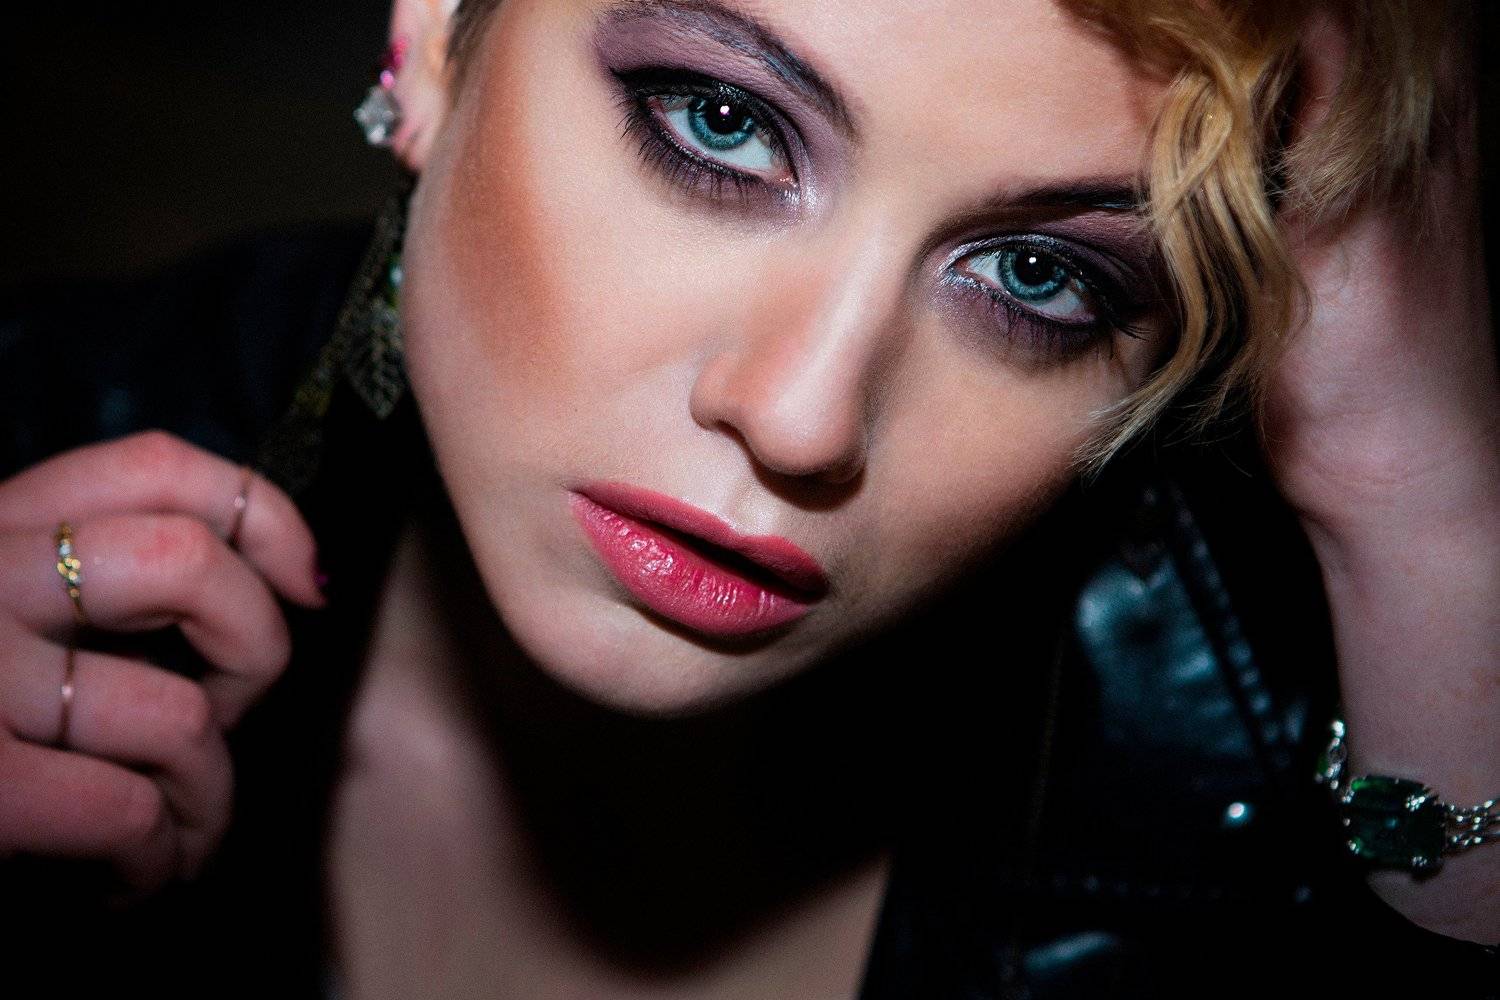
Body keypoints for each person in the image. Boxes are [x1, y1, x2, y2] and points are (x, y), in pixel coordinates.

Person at [1, 0, 1496, 996]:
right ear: (436, 40)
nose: (802, 416)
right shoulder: (32, 425)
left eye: (1039, 276)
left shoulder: (1251, 741)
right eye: (720, 121)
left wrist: (1422, 502)